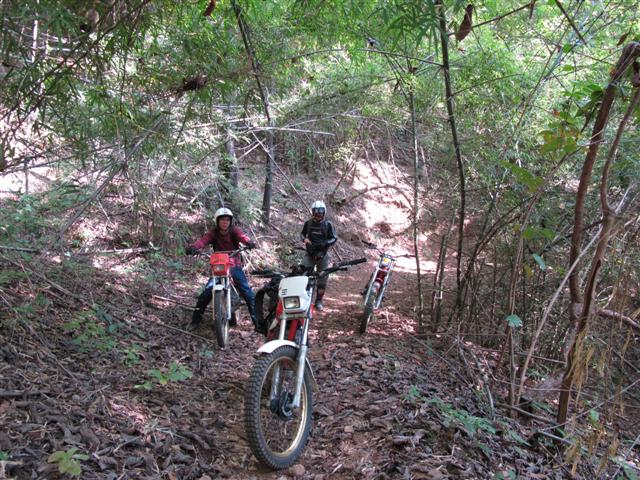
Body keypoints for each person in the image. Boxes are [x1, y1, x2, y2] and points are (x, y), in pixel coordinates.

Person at [185, 207, 259, 331]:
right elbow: (203, 241)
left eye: (227, 220)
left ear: (230, 221)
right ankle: (195, 321)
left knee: (248, 293)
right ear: (217, 221)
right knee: (205, 295)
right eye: (222, 220)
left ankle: (258, 322)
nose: (225, 222)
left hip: (234, 265)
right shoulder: (213, 233)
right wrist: (194, 247)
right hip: (219, 266)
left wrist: (249, 243)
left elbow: (242, 237)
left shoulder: (234, 230)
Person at [300, 200, 337, 310]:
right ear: (313, 213)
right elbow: (302, 234)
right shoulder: (308, 223)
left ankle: (319, 301)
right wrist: (305, 239)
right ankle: (302, 298)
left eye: (320, 213)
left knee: (322, 279)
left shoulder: (328, 224)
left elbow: (334, 238)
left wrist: (325, 243)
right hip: (309, 254)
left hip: (323, 255)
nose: (318, 216)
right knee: (302, 274)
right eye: (316, 213)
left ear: (324, 212)